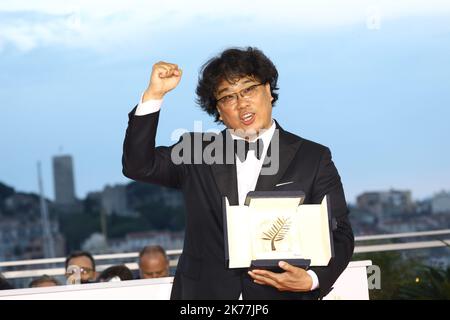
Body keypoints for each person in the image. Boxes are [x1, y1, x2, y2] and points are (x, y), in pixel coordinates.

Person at [122, 47, 354, 299]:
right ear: (218, 110)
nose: (241, 102)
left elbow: (339, 232)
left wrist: (311, 279)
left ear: (268, 90)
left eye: (249, 89)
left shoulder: (313, 157)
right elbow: (138, 165)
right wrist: (154, 95)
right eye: (228, 97)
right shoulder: (195, 151)